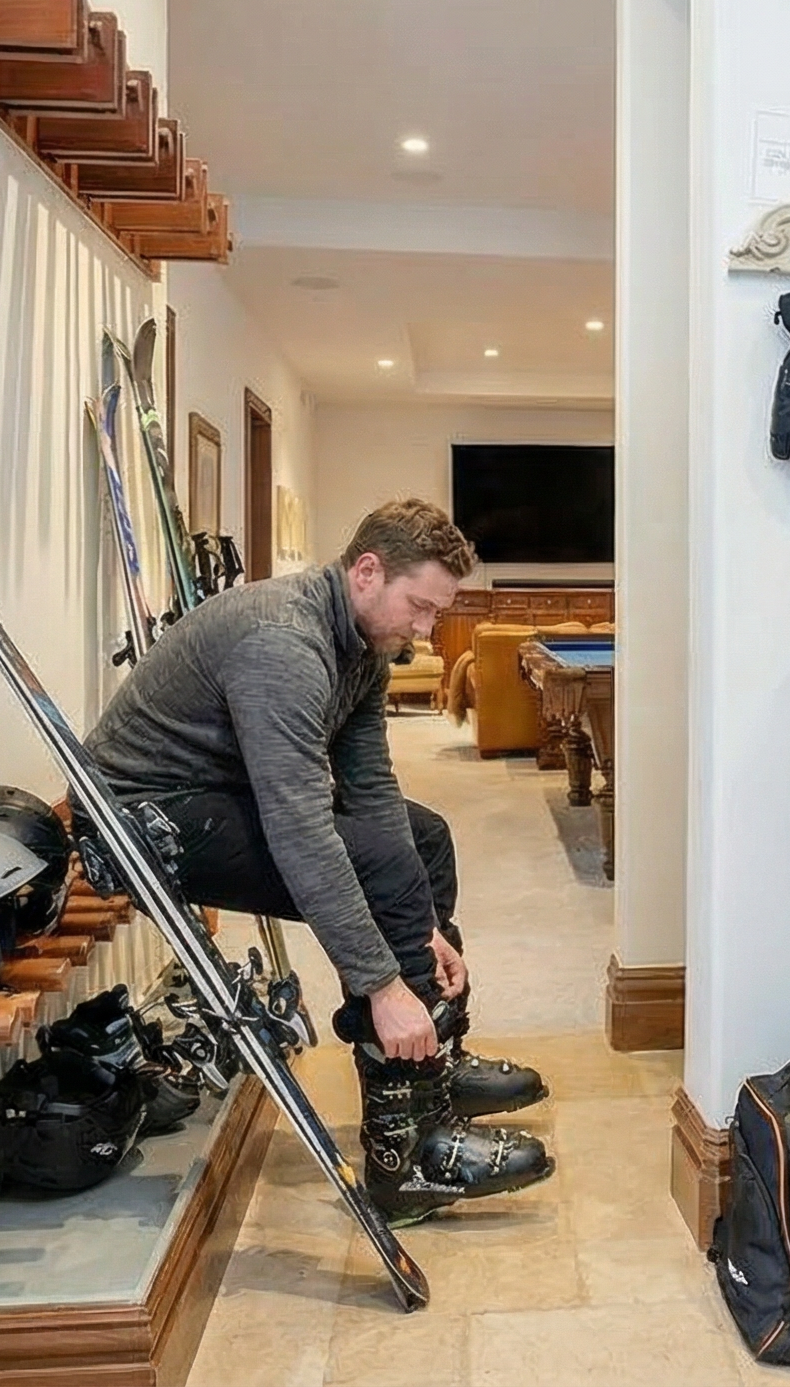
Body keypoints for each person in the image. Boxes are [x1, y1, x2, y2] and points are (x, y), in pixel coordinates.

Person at [84, 497, 553, 1224]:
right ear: (367, 571)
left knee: (420, 840)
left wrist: (420, 928)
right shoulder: (283, 644)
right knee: (373, 866)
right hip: (145, 822)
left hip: (215, 796)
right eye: (420, 607)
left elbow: (370, 791)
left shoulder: (361, 645)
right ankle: (406, 1151)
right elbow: (303, 829)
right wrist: (381, 982)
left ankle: (432, 1059)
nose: (426, 632)